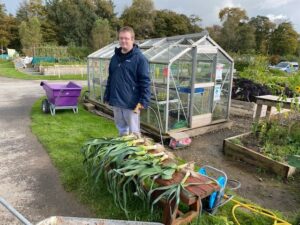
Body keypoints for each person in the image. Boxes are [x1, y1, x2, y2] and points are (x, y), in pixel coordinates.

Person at [104, 26, 151, 137]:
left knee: (134, 133)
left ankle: (135, 153)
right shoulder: (114, 58)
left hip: (131, 103)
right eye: (121, 38)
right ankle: (123, 153)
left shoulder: (140, 59)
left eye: (126, 38)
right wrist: (107, 95)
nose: (123, 41)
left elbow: (145, 81)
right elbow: (111, 78)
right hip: (116, 102)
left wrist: (144, 100)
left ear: (132, 40)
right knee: (121, 130)